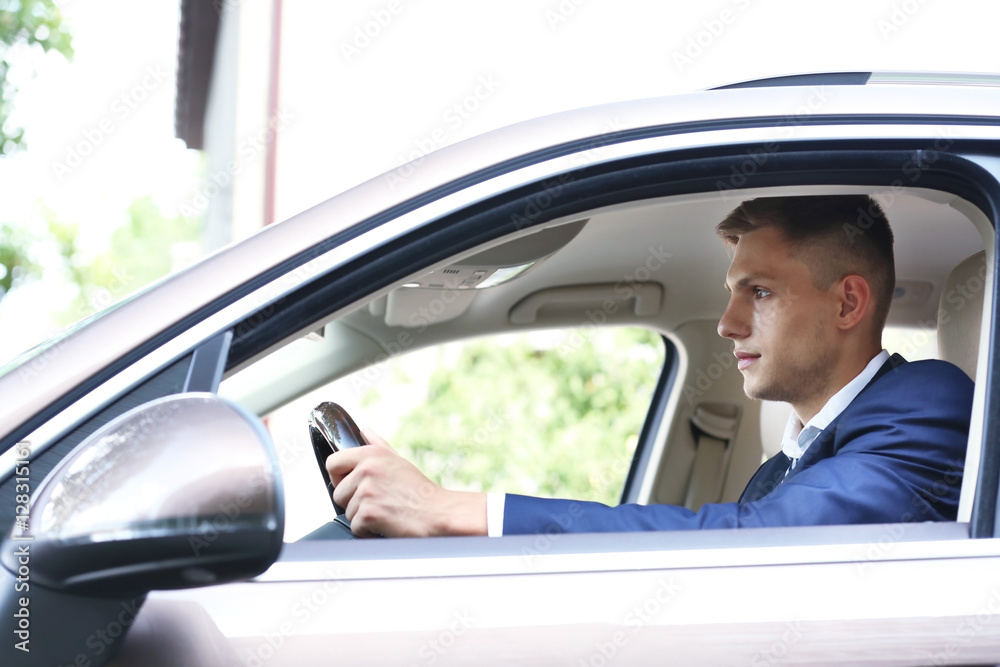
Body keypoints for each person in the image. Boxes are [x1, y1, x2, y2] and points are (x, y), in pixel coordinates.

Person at [326, 195, 974, 538]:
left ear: (849, 301)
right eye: (732, 293)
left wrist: (455, 510)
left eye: (761, 292)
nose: (728, 323)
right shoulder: (781, 470)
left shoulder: (930, 404)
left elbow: (762, 542)